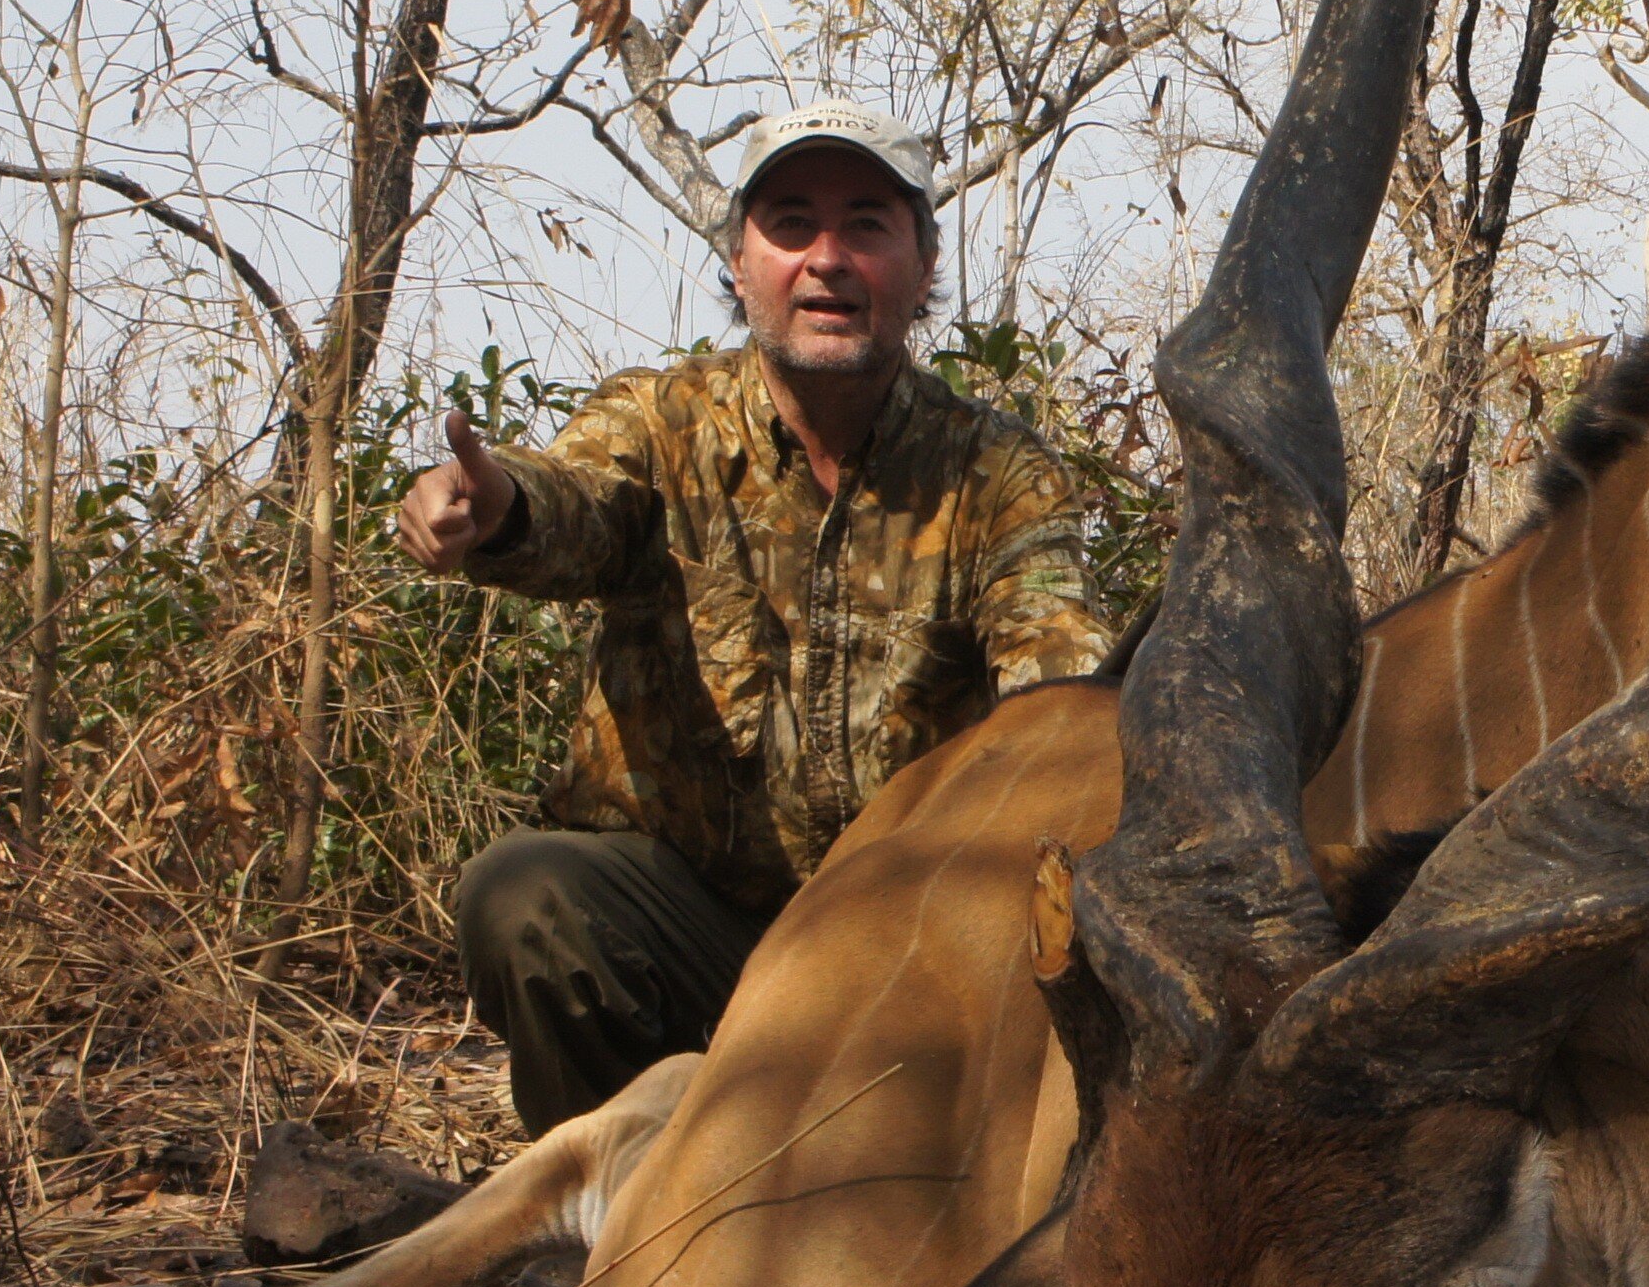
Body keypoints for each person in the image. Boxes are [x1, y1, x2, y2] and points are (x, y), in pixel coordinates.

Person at [396, 101, 1113, 1132]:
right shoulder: (658, 422)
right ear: (738, 262)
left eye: (866, 224)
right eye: (790, 224)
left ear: (921, 266)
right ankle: (599, 1241)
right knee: (527, 896)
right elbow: (577, 506)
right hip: (692, 941)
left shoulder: (999, 473)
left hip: (903, 955)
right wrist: (500, 507)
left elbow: (1058, 693)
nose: (826, 258)